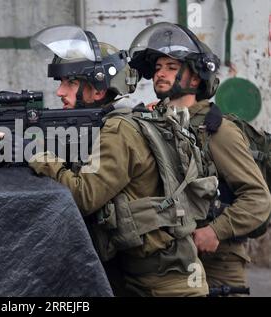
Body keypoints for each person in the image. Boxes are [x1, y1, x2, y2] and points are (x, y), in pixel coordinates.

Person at [24, 25, 212, 297]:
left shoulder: (118, 130)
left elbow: (85, 195)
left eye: (71, 83)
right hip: (145, 277)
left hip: (166, 285)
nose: (60, 92)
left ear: (99, 91)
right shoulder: (108, 126)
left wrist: (35, 154)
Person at [129, 22, 271, 295]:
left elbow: (258, 198)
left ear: (195, 78)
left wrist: (216, 231)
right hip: (169, 259)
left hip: (218, 260)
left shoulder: (218, 131)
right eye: (158, 68)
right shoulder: (154, 123)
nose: (161, 73)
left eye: (171, 67)